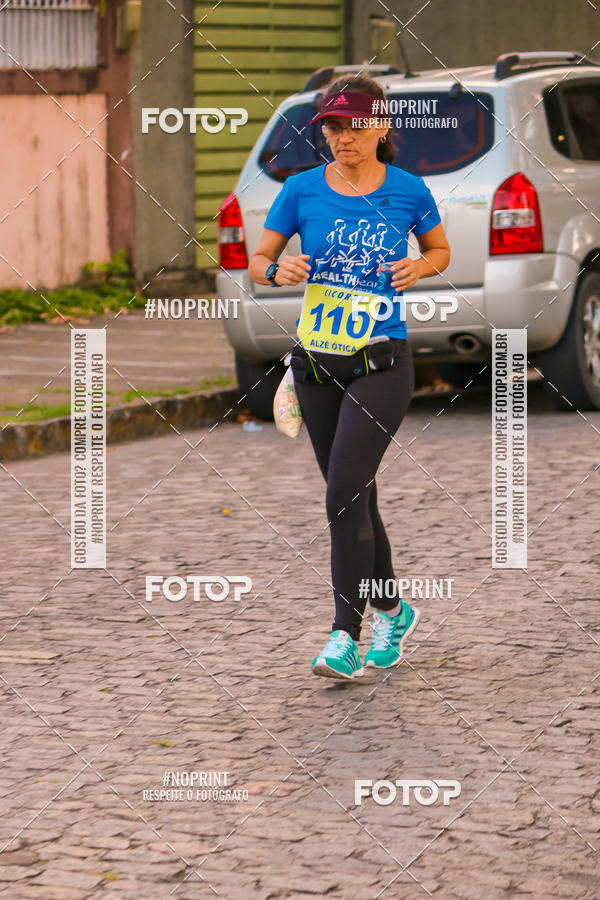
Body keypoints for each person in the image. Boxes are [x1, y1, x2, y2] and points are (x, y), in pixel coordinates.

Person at [248, 75, 450, 681]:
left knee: (341, 497)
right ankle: (391, 608)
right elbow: (258, 260)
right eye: (333, 127)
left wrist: (420, 265)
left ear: (383, 127)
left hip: (381, 363)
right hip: (316, 364)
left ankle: (345, 634)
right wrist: (279, 270)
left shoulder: (409, 191)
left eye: (357, 125)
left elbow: (441, 251)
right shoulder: (300, 189)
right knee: (355, 496)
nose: (344, 138)